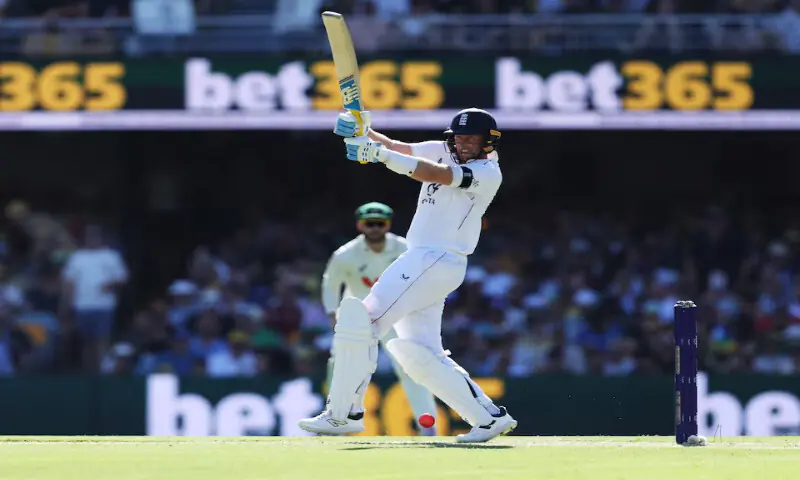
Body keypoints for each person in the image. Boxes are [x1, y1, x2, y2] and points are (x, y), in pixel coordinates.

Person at [299, 108, 516, 443]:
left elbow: (436, 174)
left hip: (436, 257)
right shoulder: (444, 148)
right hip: (427, 261)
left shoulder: (488, 172)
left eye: (472, 138)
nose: (463, 144)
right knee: (418, 353)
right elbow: (400, 148)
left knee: (363, 321)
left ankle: (344, 414)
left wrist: (379, 155)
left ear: (489, 141)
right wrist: (363, 130)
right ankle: (487, 418)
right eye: (458, 137)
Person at [321, 201, 438, 436]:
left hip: (396, 317)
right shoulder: (346, 255)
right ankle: (336, 421)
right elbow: (331, 284)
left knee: (411, 367)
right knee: (342, 368)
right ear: (359, 225)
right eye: (369, 223)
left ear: (388, 225)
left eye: (379, 223)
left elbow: (421, 278)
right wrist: (333, 314)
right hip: (358, 320)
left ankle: (428, 427)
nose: (374, 228)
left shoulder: (404, 249)